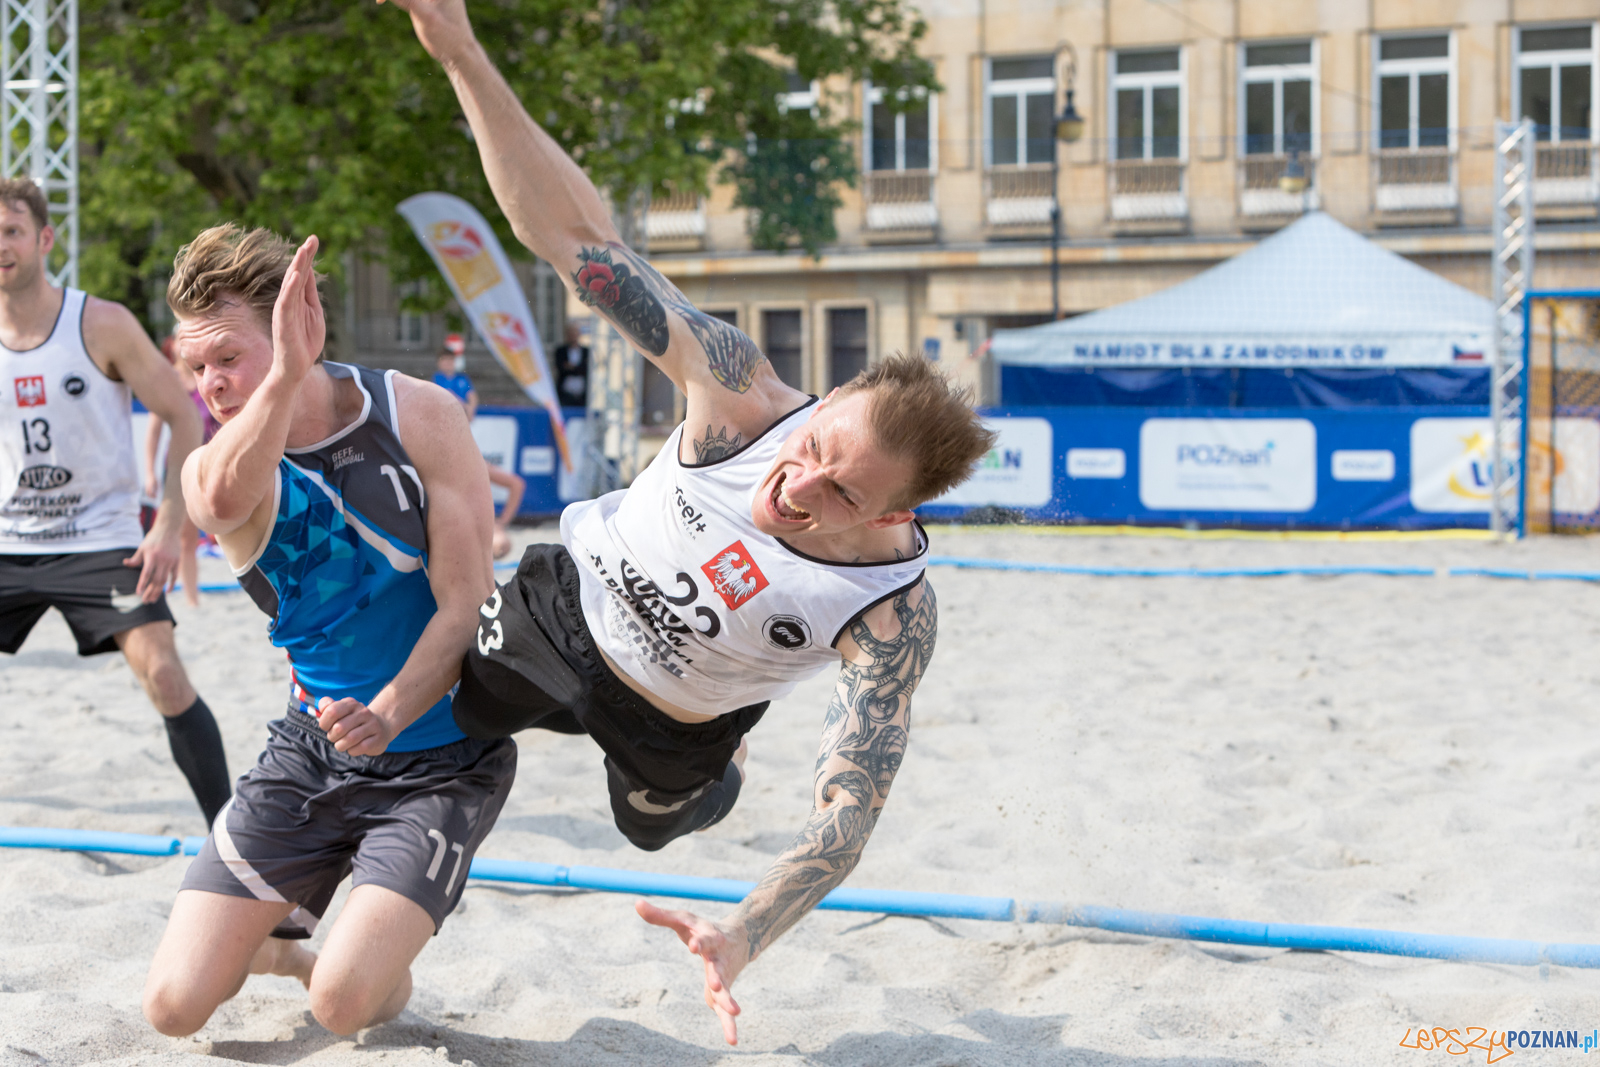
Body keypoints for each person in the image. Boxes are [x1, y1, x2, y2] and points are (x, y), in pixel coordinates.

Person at [390, 0, 996, 1045]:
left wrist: (743, 936)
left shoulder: (888, 612)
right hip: (563, 607)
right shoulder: (744, 397)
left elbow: (845, 817)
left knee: (655, 829)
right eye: (812, 451)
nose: (794, 487)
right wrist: (464, 58)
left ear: (892, 513)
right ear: (822, 403)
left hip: (676, 723)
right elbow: (579, 241)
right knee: (461, 710)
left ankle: (713, 774)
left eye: (837, 496)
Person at [141, 225, 514, 1037]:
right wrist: (278, 375)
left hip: (442, 760)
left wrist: (388, 709)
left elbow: (467, 603)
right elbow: (229, 497)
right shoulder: (210, 471)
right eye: (196, 365)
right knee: (172, 1007)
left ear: (295, 322)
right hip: (312, 751)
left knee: (343, 1004)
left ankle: (353, 956)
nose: (210, 383)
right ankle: (289, 945)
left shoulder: (418, 412)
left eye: (227, 358)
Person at [0, 177, 231, 828]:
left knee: (163, 674)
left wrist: (166, 525)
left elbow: (183, 418)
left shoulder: (99, 322)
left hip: (101, 541)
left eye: (12, 230)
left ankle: (238, 848)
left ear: (44, 239)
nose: (1, 245)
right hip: (8, 540)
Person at [143, 336, 222, 608]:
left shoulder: (208, 374)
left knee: (224, 529)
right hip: (179, 467)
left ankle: (189, 596)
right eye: (177, 339)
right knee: (185, 538)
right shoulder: (168, 381)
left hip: (213, 465)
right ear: (171, 346)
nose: (181, 342)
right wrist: (150, 473)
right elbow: (153, 432)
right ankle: (187, 598)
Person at [433, 332, 525, 559]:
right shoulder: (438, 383)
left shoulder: (466, 460)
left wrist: (469, 407)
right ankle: (497, 535)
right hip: (457, 460)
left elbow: (468, 401)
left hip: (460, 458)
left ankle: (497, 533)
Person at [553, 321, 589, 409]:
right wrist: (577, 368)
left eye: (575, 333)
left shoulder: (586, 351)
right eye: (571, 333)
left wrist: (572, 367)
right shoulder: (561, 351)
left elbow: (586, 369)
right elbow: (561, 368)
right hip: (565, 394)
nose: (573, 335)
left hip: (582, 395)